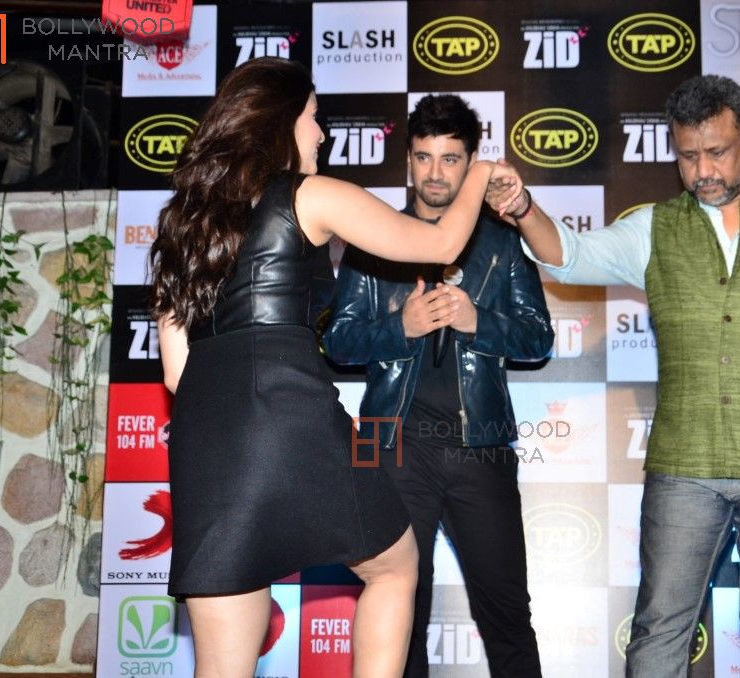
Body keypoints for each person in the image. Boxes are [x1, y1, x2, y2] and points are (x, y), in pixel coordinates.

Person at [490, 74, 740, 677]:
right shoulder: (654, 227)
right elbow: (569, 255)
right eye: (687, 156)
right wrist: (524, 208)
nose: (703, 169)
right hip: (686, 465)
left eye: (717, 151)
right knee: (657, 635)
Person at [148, 59, 522, 678]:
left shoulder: (182, 219)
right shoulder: (308, 194)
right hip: (289, 410)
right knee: (396, 568)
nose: (321, 134)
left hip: (205, 438)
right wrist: (479, 172)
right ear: (281, 122)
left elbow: (174, 373)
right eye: (314, 117)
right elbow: (440, 245)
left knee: (223, 663)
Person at [323, 94, 552, 678]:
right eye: (423, 157)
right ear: (408, 159)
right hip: (389, 447)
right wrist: (399, 328)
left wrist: (479, 321)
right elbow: (337, 342)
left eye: (450, 159)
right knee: (401, 614)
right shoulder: (374, 237)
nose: (434, 173)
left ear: (471, 162)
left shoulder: (501, 242)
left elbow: (538, 338)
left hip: (482, 448)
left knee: (507, 612)